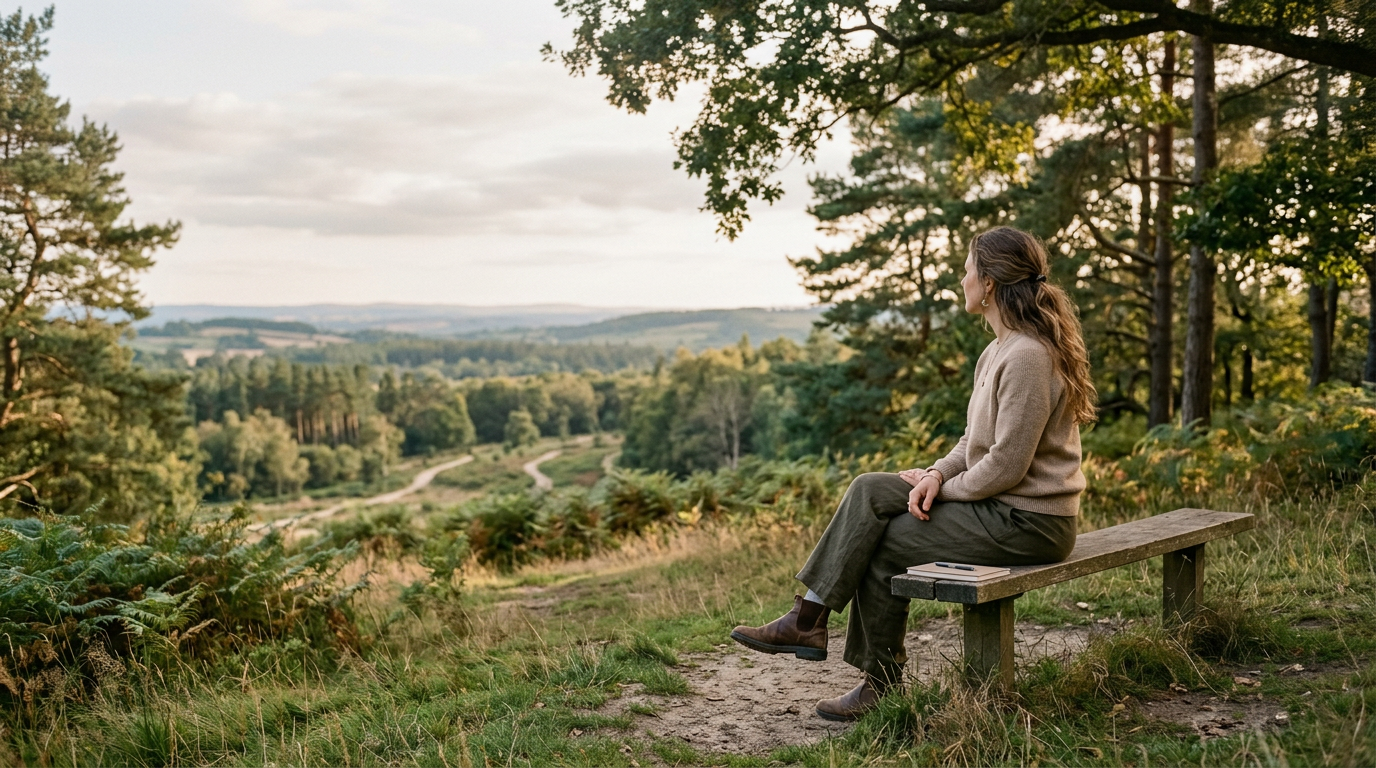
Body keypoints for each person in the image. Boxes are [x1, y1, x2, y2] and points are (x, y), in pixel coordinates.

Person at [730, 226, 1097, 721]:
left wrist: (942, 490)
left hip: (1030, 523)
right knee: (869, 490)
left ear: (988, 283)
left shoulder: (1029, 355)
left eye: (967, 269)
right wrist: (934, 472)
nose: (961, 278)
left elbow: (1007, 465)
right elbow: (973, 442)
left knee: (884, 543)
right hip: (1000, 508)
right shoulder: (997, 351)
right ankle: (807, 618)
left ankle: (874, 681)